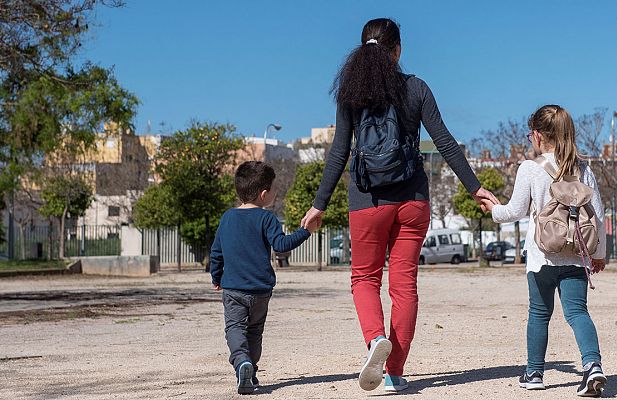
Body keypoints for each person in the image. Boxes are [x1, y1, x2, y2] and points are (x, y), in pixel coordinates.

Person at [300, 18, 499, 392]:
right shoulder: (416, 88)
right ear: (399, 49)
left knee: (364, 278)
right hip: (413, 201)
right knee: (404, 284)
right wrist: (474, 187)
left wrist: (318, 204)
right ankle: (394, 373)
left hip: (367, 201)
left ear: (362, 50)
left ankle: (376, 339)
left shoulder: (350, 93)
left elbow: (339, 152)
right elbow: (444, 140)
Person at [481, 105, 607, 397]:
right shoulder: (583, 168)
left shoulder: (530, 168)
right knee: (577, 312)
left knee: (539, 313)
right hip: (576, 254)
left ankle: (534, 373)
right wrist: (598, 253)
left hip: (541, 257)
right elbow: (598, 215)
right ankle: (592, 366)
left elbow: (514, 211)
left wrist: (493, 209)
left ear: (537, 136)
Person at [210, 161, 320, 395]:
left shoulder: (227, 218)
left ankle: (242, 364)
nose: (275, 192)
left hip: (233, 289)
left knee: (235, 329)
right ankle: (252, 370)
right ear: (263, 194)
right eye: (274, 189)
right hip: (260, 290)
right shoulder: (267, 218)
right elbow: (281, 245)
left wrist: (216, 276)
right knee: (255, 331)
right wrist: (306, 231)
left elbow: (216, 252)